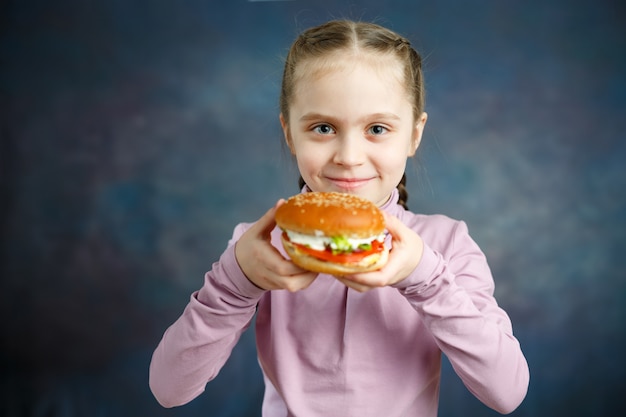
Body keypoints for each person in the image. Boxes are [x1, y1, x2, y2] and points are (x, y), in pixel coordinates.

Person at [149, 19, 529, 416]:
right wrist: (234, 283)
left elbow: (507, 392)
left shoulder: (445, 245)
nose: (348, 156)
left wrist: (427, 278)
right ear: (289, 132)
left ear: (414, 135)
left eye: (377, 128)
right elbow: (168, 389)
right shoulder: (258, 248)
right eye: (323, 127)